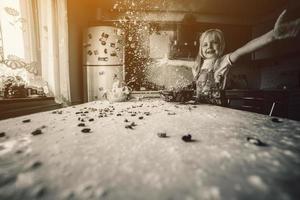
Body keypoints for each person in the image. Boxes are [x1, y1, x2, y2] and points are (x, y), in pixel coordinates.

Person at [159, 9, 300, 104]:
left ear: (221, 47)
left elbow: (243, 50)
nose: (209, 47)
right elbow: (182, 63)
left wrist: (272, 36)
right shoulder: (198, 65)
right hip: (200, 108)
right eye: (205, 44)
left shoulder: (223, 62)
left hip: (219, 110)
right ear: (201, 48)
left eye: (214, 43)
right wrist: (168, 61)